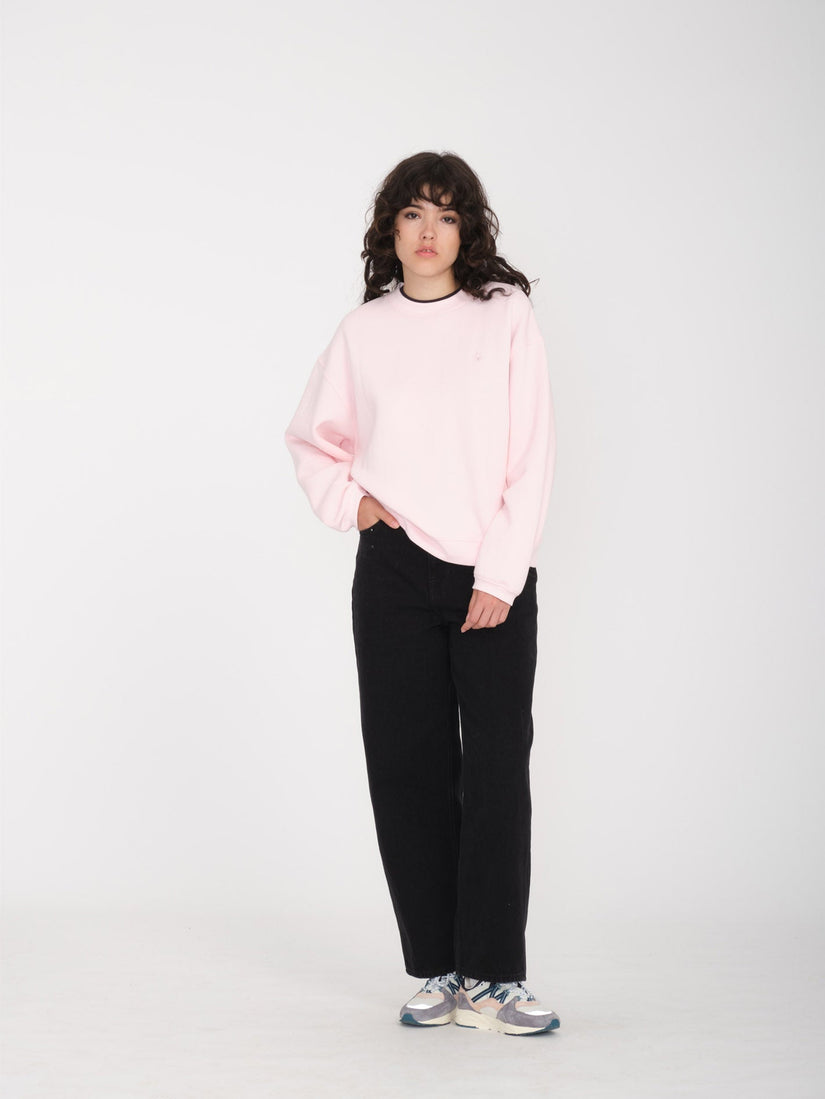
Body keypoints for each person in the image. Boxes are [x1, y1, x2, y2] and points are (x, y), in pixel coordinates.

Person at [284, 151, 560, 1037]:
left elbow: (530, 453)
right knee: (407, 768)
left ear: (467, 227)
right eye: (412, 213)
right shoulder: (363, 331)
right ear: (390, 229)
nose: (429, 230)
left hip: (489, 571)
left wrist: (499, 575)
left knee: (495, 773)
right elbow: (312, 438)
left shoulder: (504, 314)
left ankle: (495, 974)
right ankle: (437, 966)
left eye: (446, 213)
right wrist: (355, 504)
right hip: (394, 570)